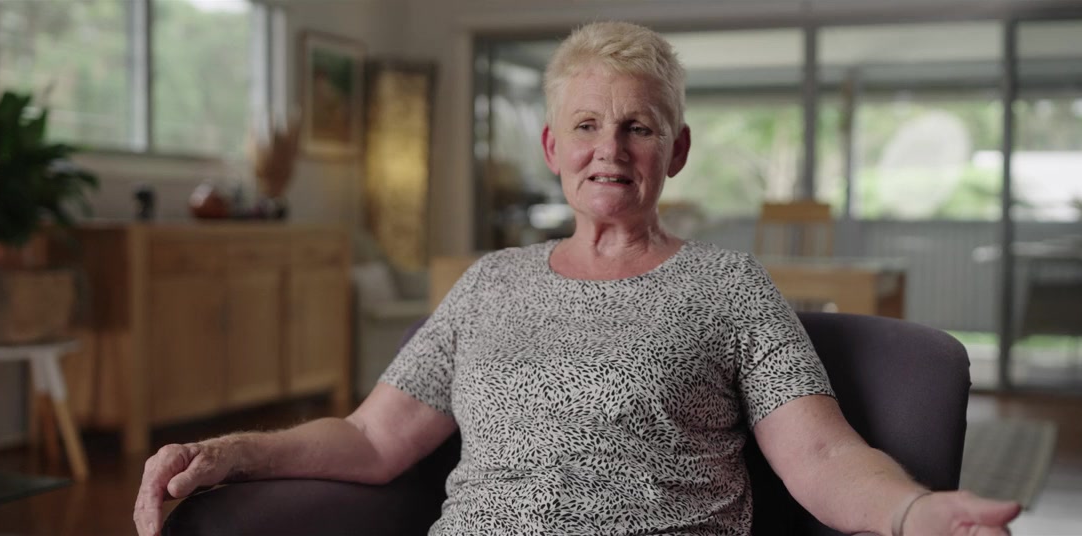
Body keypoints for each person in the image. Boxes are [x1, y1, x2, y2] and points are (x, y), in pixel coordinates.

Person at [134, 21, 1020, 536]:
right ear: (554, 148)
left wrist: (913, 514)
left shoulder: (729, 287)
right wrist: (231, 454)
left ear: (676, 149)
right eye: (588, 125)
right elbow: (372, 441)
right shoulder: (489, 283)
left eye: (639, 127)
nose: (611, 150)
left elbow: (822, 456)